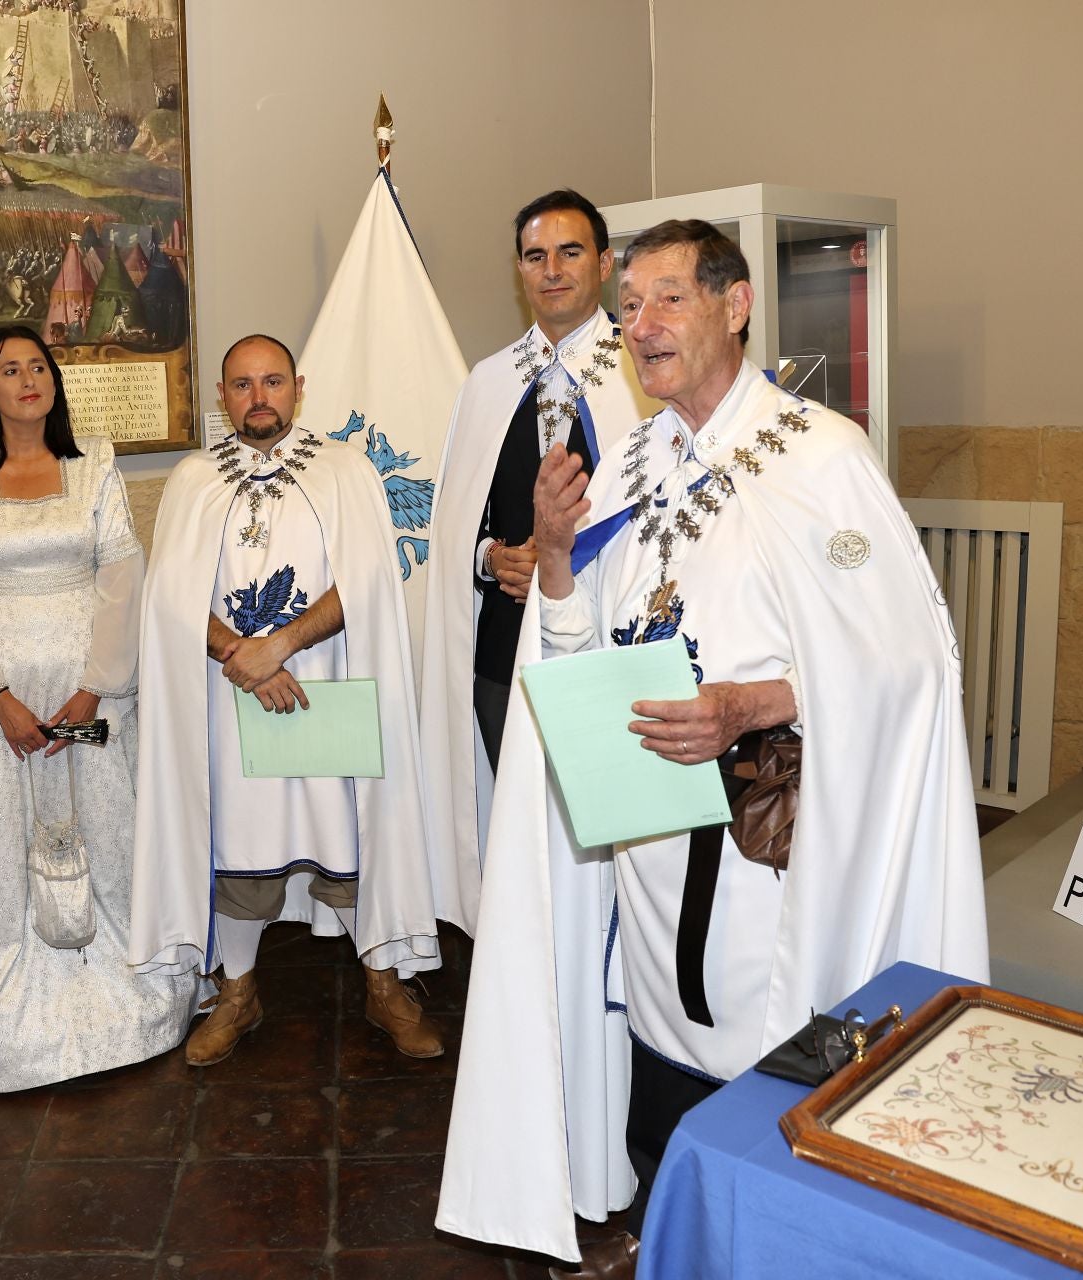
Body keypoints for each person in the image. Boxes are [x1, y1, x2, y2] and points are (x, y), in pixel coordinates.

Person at [438, 220, 989, 1260]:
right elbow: (572, 645)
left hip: (766, 845)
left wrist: (750, 704)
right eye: (628, 307)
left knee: (763, 1065)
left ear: (736, 306)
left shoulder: (820, 454)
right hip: (645, 837)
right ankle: (670, 1229)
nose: (641, 324)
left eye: (668, 299)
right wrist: (553, 554)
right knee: (656, 1049)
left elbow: (906, 665)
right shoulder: (629, 461)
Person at [131, 333, 442, 1066]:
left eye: (272, 381)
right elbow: (171, 594)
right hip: (231, 699)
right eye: (242, 385)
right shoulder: (192, 479)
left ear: (298, 388)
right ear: (222, 396)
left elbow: (367, 581)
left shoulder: (344, 470)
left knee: (351, 838)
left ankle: (383, 986)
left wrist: (282, 645)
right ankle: (239, 993)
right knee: (238, 845)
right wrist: (243, 655)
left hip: (325, 690)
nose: (258, 397)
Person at [0, 324, 197, 1093]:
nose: (28, 380)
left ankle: (130, 1001)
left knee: (105, 834)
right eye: (10, 370)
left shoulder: (94, 462)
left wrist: (93, 687)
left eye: (38, 366)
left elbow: (122, 574)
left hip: (89, 694)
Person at [419, 190, 661, 934]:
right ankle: (524, 959)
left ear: (605, 262)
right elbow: (457, 523)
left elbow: (665, 518)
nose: (552, 269)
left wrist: (568, 563)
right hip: (504, 651)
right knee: (519, 819)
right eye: (535, 255)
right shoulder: (488, 382)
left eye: (570, 251)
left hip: (607, 647)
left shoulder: (647, 373)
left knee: (606, 824)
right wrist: (492, 558)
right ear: (518, 269)